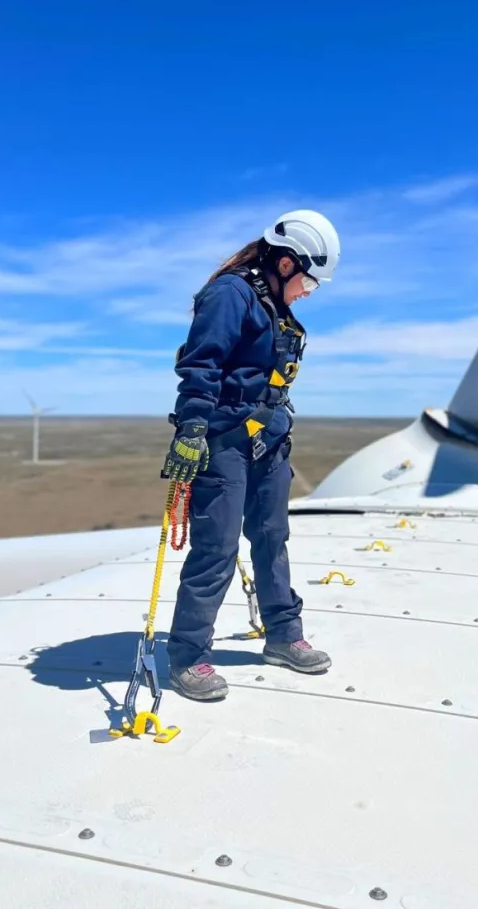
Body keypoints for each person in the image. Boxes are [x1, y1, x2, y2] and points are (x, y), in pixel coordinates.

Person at [161, 209, 341, 701]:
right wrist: (192, 428)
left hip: (269, 441)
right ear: (285, 264)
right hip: (225, 444)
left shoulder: (272, 305)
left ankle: (283, 635)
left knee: (270, 538)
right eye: (308, 280)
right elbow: (202, 364)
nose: (308, 291)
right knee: (215, 550)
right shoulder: (230, 295)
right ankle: (189, 656)